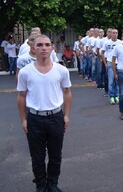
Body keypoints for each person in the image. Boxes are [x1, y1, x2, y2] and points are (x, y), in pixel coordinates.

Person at [17, 35, 72, 192]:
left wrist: (66, 115)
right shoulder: (25, 72)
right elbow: (21, 97)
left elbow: (67, 92)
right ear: (33, 48)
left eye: (47, 44)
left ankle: (52, 184)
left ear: (52, 48)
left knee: (55, 156)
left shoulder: (61, 70)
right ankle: (41, 185)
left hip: (56, 117)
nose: (43, 48)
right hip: (34, 119)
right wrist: (24, 119)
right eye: (39, 45)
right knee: (37, 157)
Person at [102, 29, 122, 104]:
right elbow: (102, 52)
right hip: (110, 63)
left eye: (116, 33)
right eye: (113, 33)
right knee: (111, 81)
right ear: (111, 34)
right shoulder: (107, 43)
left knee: (118, 81)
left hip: (119, 64)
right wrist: (105, 63)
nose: (115, 34)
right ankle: (112, 97)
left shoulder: (120, 42)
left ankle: (117, 96)